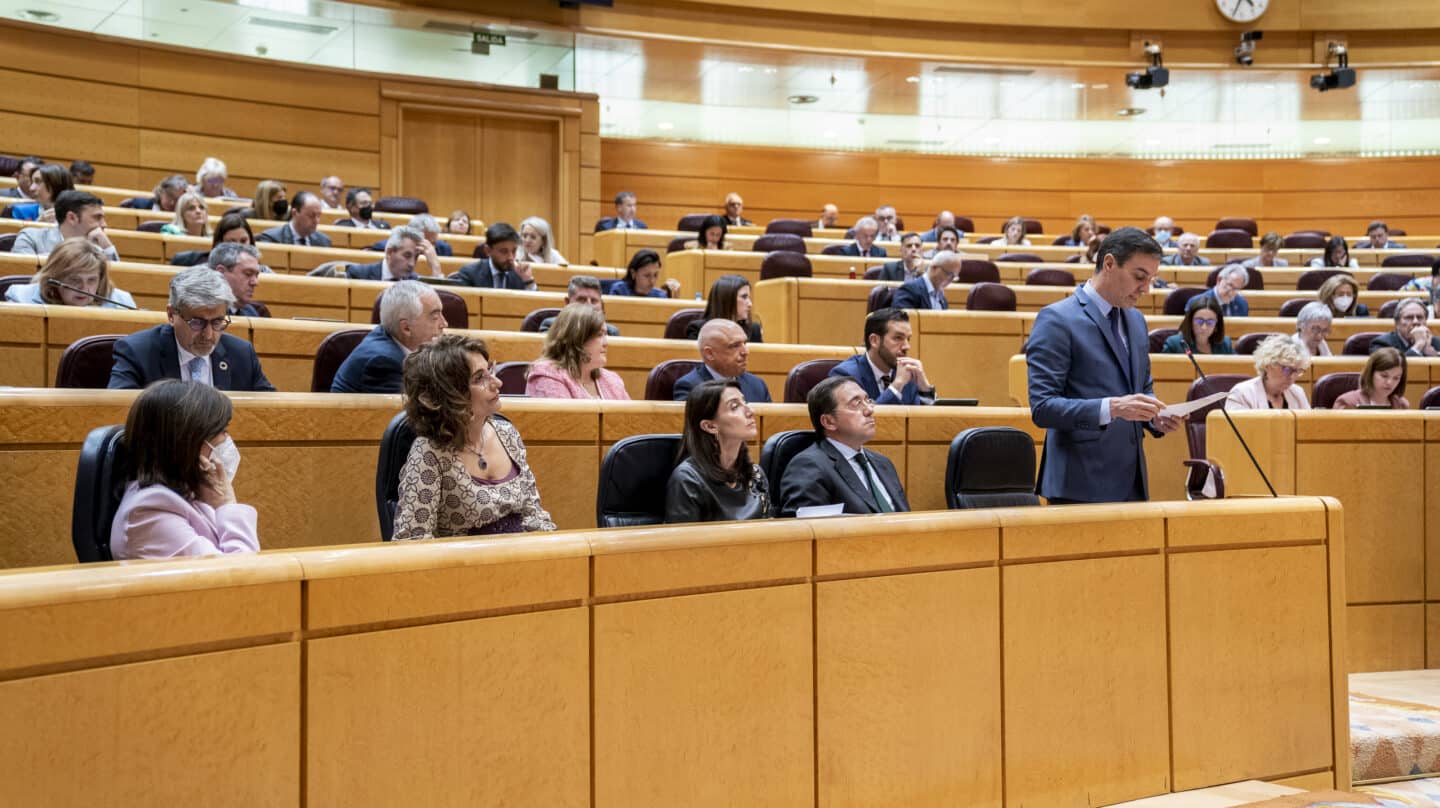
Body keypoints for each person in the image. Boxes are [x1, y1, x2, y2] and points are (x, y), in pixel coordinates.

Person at [1026, 226, 1181, 504]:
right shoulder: (1057, 320)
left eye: (1152, 279)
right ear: (1109, 263)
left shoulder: (1136, 321)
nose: (1146, 288)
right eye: (1139, 276)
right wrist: (1112, 407)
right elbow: (1043, 408)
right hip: (1078, 483)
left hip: (1131, 479)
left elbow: (1142, 387)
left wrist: (1155, 416)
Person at [391, 334, 556, 538]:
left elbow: (534, 516)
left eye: (490, 370)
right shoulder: (429, 454)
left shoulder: (507, 434)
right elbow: (412, 540)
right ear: (450, 394)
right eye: (479, 378)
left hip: (520, 562)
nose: (497, 382)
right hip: (465, 567)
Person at [109, 380, 259, 559]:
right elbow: (242, 576)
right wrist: (227, 504)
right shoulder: (149, 512)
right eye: (222, 431)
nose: (227, 439)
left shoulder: (189, 493)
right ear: (188, 441)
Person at [109, 266, 276, 391]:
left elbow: (271, 413)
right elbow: (119, 414)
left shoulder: (242, 354)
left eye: (217, 322)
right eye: (197, 322)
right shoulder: (137, 352)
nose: (209, 335)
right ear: (171, 315)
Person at [778, 376, 910, 516]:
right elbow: (806, 531)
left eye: (868, 400)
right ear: (829, 421)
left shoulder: (883, 463)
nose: (869, 410)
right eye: (856, 404)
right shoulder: (808, 467)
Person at [664, 380, 769, 524]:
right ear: (710, 426)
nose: (750, 412)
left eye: (745, 402)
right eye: (735, 406)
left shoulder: (756, 474)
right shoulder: (688, 480)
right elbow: (684, 543)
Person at [331, 280, 446, 394]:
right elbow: (410, 410)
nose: (444, 323)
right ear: (406, 328)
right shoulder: (383, 363)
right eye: (435, 317)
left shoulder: (390, 335)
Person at [829, 307, 935, 405]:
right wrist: (896, 386)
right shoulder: (845, 376)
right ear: (874, 341)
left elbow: (921, 423)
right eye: (898, 338)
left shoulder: (907, 375)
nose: (907, 346)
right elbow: (865, 421)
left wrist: (924, 389)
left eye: (908, 339)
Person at [525, 304, 630, 400]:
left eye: (605, 334)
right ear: (577, 338)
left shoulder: (612, 380)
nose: (606, 343)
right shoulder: (547, 374)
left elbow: (631, 419)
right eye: (599, 335)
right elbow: (563, 420)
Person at [4, 238, 137, 308]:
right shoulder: (21, 298)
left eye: (91, 280)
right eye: (75, 280)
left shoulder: (122, 303)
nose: (84, 288)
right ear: (54, 278)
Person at [673, 319, 772, 403]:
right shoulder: (690, 388)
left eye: (745, 343)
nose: (745, 352)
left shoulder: (757, 385)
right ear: (709, 354)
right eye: (735, 346)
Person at [13, 190, 118, 260]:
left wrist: (108, 248)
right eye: (97, 217)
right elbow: (24, 274)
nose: (104, 224)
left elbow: (116, 282)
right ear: (72, 218)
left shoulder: (97, 247)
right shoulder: (31, 238)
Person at [1225, 335, 1312, 410]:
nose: (1292, 377)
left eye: (1297, 371)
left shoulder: (1297, 393)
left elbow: (1307, 427)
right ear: (1267, 365)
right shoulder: (1242, 394)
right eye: (1287, 369)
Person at [452, 222, 539, 290]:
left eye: (514, 251)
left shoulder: (519, 275)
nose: (511, 257)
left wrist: (528, 281)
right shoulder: (470, 274)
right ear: (488, 250)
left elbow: (535, 307)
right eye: (504, 251)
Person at [685, 274, 762, 342]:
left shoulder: (754, 330)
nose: (750, 304)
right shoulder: (698, 330)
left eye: (749, 297)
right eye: (744, 297)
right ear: (727, 300)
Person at [346, 226, 436, 281]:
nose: (412, 264)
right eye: (407, 256)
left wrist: (435, 267)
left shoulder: (416, 281)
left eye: (416, 257)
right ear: (390, 252)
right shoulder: (357, 274)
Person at [539, 275, 620, 336]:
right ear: (567, 303)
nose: (589, 305)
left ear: (602, 305)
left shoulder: (611, 332)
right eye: (582, 300)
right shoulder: (551, 326)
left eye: (594, 301)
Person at [1334, 347, 1409, 409]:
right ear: (1370, 373)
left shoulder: (1401, 405)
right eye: (1384, 376)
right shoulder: (1348, 403)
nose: (1389, 382)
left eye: (1396, 378)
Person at [208, 242, 266, 317]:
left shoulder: (252, 313)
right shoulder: (199, 311)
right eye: (248, 274)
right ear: (220, 273)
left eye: (256, 275)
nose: (255, 282)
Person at [256, 191, 332, 247]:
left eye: (318, 216)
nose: (316, 221)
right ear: (295, 213)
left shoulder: (324, 241)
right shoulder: (272, 239)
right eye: (311, 216)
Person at [1161, 297, 1233, 355]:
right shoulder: (1174, 344)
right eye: (1199, 321)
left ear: (1217, 324)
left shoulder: (1225, 344)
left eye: (1210, 322)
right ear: (1190, 321)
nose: (1204, 327)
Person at [1370, 298, 1440, 357]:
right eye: (1409, 317)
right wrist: (1418, 346)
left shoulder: (1437, 343)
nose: (1416, 322)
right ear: (1397, 323)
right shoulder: (1382, 344)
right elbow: (1392, 369)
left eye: (1420, 317)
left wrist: (1433, 355)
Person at [891, 250, 958, 310]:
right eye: (949, 274)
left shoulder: (942, 298)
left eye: (954, 277)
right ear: (934, 267)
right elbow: (901, 320)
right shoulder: (909, 290)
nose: (950, 280)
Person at [607, 248, 680, 297]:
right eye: (647, 276)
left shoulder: (660, 296)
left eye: (655, 275)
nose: (652, 281)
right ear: (633, 273)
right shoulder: (619, 291)